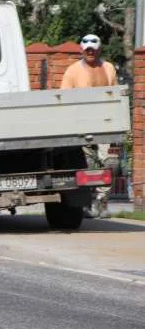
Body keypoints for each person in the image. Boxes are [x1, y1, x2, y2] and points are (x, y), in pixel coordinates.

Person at [60, 33, 118, 217]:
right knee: (87, 165)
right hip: (81, 126)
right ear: (81, 50)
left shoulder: (108, 68)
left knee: (110, 163)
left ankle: (102, 202)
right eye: (87, 50)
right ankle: (87, 202)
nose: (90, 52)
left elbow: (116, 95)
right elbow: (64, 99)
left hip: (105, 124)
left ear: (100, 50)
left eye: (93, 50)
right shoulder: (72, 71)